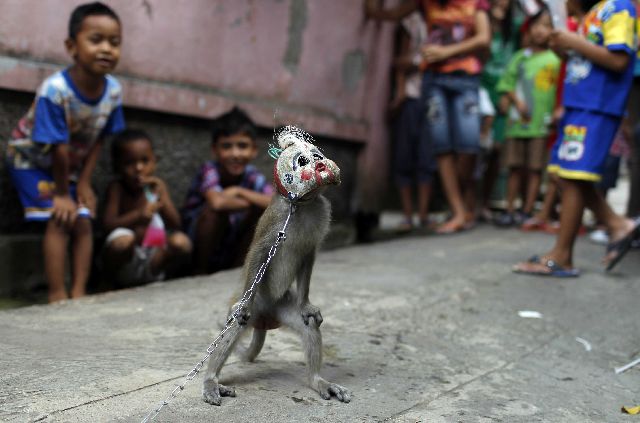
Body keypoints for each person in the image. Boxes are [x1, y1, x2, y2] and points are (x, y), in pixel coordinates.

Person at [4, 2, 125, 302]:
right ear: (72, 46)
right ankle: (57, 296)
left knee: (83, 221)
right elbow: (58, 146)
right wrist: (61, 193)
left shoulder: (113, 91)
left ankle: (79, 293)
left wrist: (82, 183)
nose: (106, 49)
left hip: (67, 167)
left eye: (114, 42)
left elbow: (98, 140)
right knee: (60, 218)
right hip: (30, 162)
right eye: (96, 40)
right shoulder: (55, 91)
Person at [514, 0, 640, 276]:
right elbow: (585, 60)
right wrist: (563, 49)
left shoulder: (618, 8)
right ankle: (616, 224)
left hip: (597, 106)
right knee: (562, 174)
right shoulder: (590, 15)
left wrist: (574, 40)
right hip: (579, 104)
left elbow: (619, 60)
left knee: (573, 176)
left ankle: (562, 255)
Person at [364, 1, 436, 232]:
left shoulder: (434, 20)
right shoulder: (411, 22)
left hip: (427, 95)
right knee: (409, 157)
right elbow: (401, 61)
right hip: (415, 96)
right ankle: (411, 215)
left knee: (424, 157)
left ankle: (420, 215)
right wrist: (402, 89)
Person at [181, 107, 273, 274]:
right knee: (216, 212)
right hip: (196, 248)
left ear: (254, 150)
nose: (235, 154)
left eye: (242, 146)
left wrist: (239, 191)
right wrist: (250, 202)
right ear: (214, 150)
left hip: (229, 247)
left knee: (264, 212)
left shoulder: (252, 175)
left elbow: (278, 202)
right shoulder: (209, 170)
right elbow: (217, 203)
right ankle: (199, 271)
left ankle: (237, 269)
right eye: (227, 146)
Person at [494, 8, 560, 226]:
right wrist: (514, 99)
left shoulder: (555, 60)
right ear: (529, 28)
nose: (541, 31)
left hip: (541, 123)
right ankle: (510, 209)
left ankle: (527, 210)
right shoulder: (519, 57)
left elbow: (561, 90)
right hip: (516, 123)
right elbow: (506, 83)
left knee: (534, 169)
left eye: (547, 26)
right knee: (514, 166)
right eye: (537, 25)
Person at [102, 129, 192, 288]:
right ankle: (109, 283)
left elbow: (176, 224)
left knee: (181, 242)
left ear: (154, 162)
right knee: (122, 242)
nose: (138, 168)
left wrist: (163, 199)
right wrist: (138, 216)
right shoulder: (117, 188)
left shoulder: (156, 188)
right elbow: (108, 225)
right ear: (117, 166)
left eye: (145, 161)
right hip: (128, 260)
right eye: (129, 163)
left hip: (153, 257)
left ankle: (159, 280)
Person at [479, 0, 520, 222]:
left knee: (496, 151)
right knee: (475, 147)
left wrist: (508, 92)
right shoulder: (479, 19)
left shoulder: (514, 27)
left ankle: (484, 202)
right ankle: (469, 204)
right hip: (480, 89)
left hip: (503, 92)